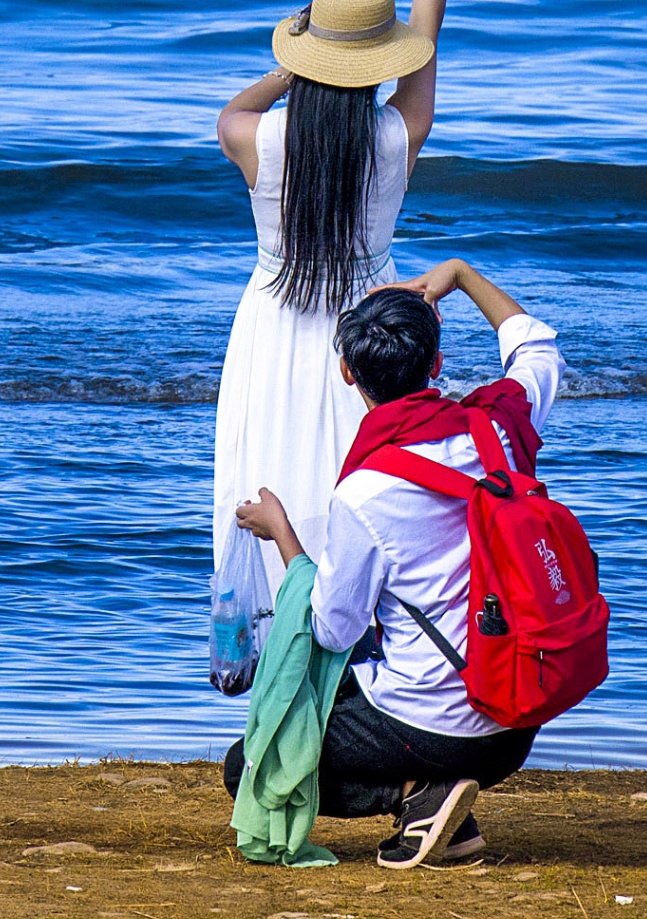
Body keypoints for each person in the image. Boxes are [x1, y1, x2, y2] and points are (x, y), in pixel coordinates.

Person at [228, 257, 559, 870]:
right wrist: (459, 276)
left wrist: (285, 537)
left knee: (250, 764)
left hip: (438, 729)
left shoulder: (367, 491)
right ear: (436, 365)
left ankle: (417, 797)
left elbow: (331, 629)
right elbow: (535, 346)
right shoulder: (500, 431)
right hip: (521, 711)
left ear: (348, 373)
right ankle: (441, 812)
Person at [209, 0, 472, 551]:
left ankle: (271, 633)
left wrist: (287, 67)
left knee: (264, 471)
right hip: (365, 325)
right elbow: (428, 41)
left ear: (308, 54)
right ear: (381, 59)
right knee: (360, 476)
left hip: (272, 321)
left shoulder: (254, 137)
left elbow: (232, 110)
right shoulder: (397, 136)